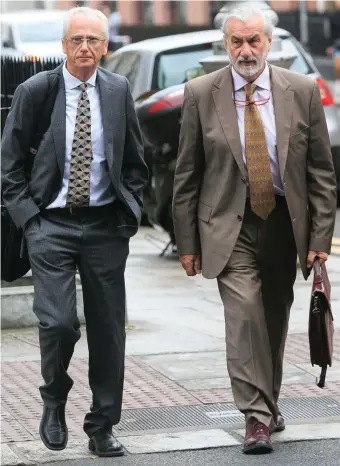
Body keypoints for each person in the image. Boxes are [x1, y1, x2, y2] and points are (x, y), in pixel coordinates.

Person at [172, 6, 337, 455]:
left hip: (285, 223)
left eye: (253, 41)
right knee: (243, 315)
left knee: (272, 318)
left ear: (269, 42)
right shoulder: (201, 93)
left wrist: (320, 238)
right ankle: (256, 417)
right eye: (236, 42)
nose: (245, 50)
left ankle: (269, 401)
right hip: (229, 224)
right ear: (225, 45)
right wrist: (187, 242)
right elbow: (186, 173)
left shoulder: (301, 91)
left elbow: (322, 172)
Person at [1, 6, 148, 458]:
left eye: (95, 41)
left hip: (105, 225)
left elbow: (135, 160)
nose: (86, 48)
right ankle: (54, 396)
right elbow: (8, 163)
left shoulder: (118, 89)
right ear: (64, 46)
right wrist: (29, 218)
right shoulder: (36, 90)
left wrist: (131, 212)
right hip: (51, 223)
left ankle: (102, 425)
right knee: (59, 322)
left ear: (107, 47)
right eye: (77, 40)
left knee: (108, 330)